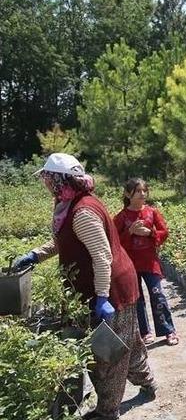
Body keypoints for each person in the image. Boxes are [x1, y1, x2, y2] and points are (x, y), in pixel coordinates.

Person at [12, 153, 156, 420]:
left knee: (107, 356)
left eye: (46, 178)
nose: (44, 183)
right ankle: (148, 382)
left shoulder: (82, 211)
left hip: (111, 288)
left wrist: (102, 297)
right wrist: (35, 254)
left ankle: (107, 412)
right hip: (101, 286)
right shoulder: (68, 204)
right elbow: (63, 241)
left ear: (58, 180)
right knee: (126, 344)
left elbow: (102, 256)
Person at [114, 178, 178, 346]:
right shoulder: (121, 217)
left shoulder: (152, 212)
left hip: (150, 262)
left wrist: (150, 233)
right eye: (138, 191)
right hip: (130, 265)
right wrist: (130, 232)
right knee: (137, 299)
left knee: (158, 295)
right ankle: (145, 332)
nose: (143, 194)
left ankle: (168, 331)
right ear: (128, 194)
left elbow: (164, 232)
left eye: (144, 191)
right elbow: (114, 242)